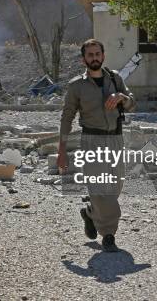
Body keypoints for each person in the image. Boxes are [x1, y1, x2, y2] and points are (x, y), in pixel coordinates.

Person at [57, 39, 136, 252]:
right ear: (83, 59)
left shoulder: (115, 78)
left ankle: (91, 213)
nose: (94, 58)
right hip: (92, 140)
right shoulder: (77, 86)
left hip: (116, 139)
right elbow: (67, 118)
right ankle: (108, 234)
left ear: (103, 56)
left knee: (115, 187)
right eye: (90, 55)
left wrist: (121, 97)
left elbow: (131, 102)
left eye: (97, 54)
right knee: (100, 187)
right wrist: (62, 151)